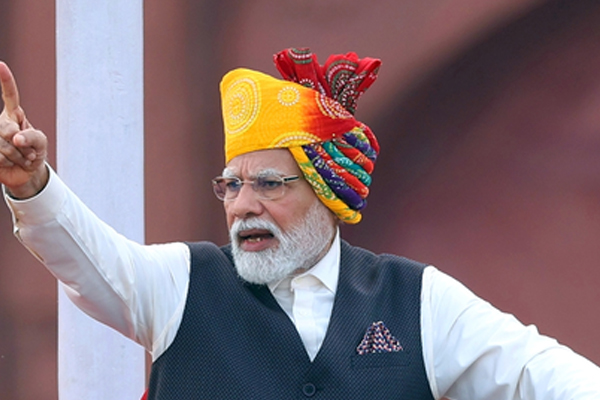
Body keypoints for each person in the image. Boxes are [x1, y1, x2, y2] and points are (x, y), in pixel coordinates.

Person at [1, 48, 600, 400]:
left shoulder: (416, 300)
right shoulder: (184, 284)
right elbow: (88, 259)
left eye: (268, 184)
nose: (243, 205)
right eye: (232, 185)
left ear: (326, 193)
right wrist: (32, 184)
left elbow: (537, 373)